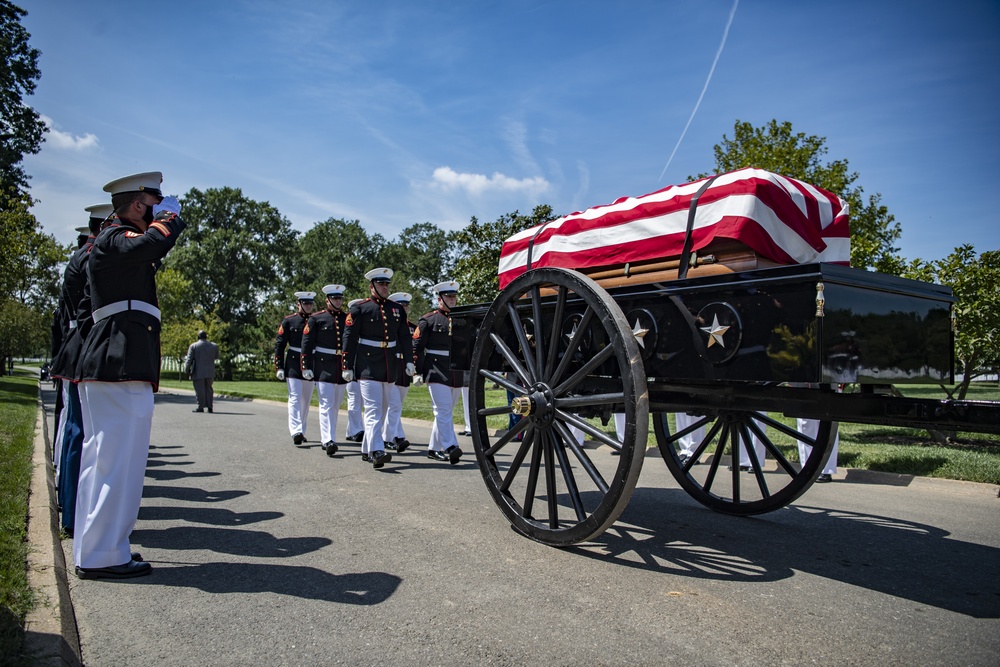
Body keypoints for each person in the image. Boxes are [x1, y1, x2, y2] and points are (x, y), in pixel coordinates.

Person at [73, 171, 185, 579]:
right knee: (118, 462)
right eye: (155, 205)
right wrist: (171, 219)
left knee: (107, 460)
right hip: (117, 363)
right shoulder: (113, 238)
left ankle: (99, 548)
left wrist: (162, 225)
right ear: (139, 205)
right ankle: (103, 553)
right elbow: (154, 241)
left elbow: (151, 250)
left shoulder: (119, 242)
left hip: (116, 362)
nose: (161, 213)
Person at [50, 204, 111, 536]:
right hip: (84, 347)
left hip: (75, 345)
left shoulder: (84, 253)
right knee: (80, 433)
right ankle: (73, 513)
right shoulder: (92, 255)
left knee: (76, 430)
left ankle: (71, 507)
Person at [342, 268, 414, 469]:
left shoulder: (396, 309)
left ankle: (367, 449)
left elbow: (404, 337)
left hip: (389, 364)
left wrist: (409, 360)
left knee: (382, 410)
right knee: (373, 409)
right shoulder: (360, 309)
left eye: (387, 284)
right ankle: (377, 450)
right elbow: (348, 337)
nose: (385, 287)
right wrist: (347, 364)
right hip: (367, 364)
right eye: (381, 284)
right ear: (371, 286)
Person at [413, 280, 466, 465]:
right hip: (435, 369)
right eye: (449, 297)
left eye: (454, 296)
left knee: (445, 412)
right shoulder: (428, 320)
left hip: (455, 370)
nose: (453, 300)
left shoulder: (461, 319)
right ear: (440, 299)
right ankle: (451, 446)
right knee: (443, 410)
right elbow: (417, 348)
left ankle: (433, 449)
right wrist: (417, 371)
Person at [300, 284, 349, 456]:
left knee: (336, 405)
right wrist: (305, 365)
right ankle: (327, 439)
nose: (338, 301)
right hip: (323, 366)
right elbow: (306, 343)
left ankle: (331, 437)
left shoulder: (347, 318)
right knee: (326, 403)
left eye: (340, 298)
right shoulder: (316, 318)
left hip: (340, 365)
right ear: (327, 300)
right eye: (335, 298)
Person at [274, 292, 317, 445]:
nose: (308, 306)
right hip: (293, 361)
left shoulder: (315, 320)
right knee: (295, 397)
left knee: (306, 399)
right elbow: (280, 344)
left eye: (310, 304)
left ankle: (302, 430)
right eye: (305, 303)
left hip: (310, 361)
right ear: (298, 304)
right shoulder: (289, 321)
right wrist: (279, 366)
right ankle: (295, 430)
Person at [382, 291, 415, 452]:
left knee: (396, 405)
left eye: (406, 305)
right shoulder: (390, 327)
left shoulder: (412, 327)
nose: (404, 308)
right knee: (393, 405)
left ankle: (389, 436)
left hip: (404, 369)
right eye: (401, 305)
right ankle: (394, 436)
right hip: (392, 365)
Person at [343, 298, 365, 442]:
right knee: (354, 399)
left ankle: (351, 431)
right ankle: (357, 430)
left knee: (361, 401)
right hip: (351, 369)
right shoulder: (349, 329)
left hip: (363, 369)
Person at [184, 330, 219, 413]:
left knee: (200, 390)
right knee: (209, 389)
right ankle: (210, 406)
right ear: (206, 337)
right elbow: (216, 356)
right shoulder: (213, 346)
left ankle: (201, 406)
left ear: (198, 337)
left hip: (198, 371)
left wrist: (187, 369)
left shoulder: (194, 346)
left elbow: (189, 360)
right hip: (210, 371)